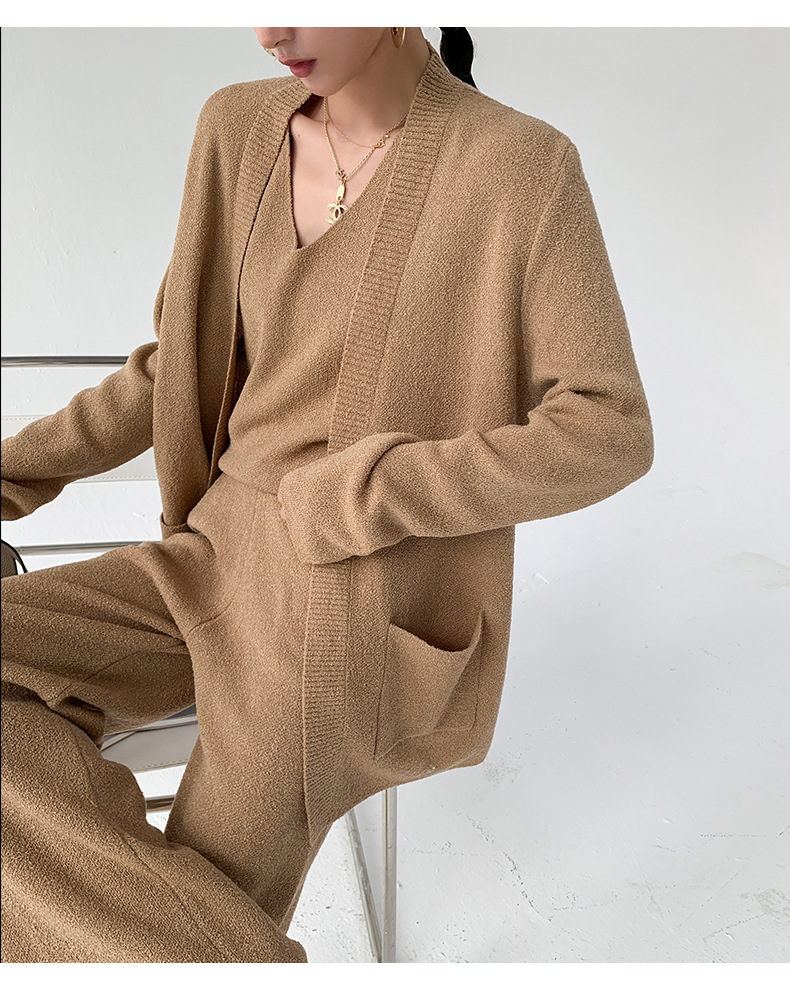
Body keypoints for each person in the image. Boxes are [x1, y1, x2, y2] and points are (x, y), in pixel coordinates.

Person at [0, 27, 654, 963]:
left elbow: (610, 429)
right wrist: (10, 475)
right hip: (205, 561)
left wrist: (374, 489)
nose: (274, 29)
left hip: (348, 607)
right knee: (176, 926)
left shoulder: (520, 166)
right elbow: (171, 372)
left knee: (200, 899)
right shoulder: (235, 127)